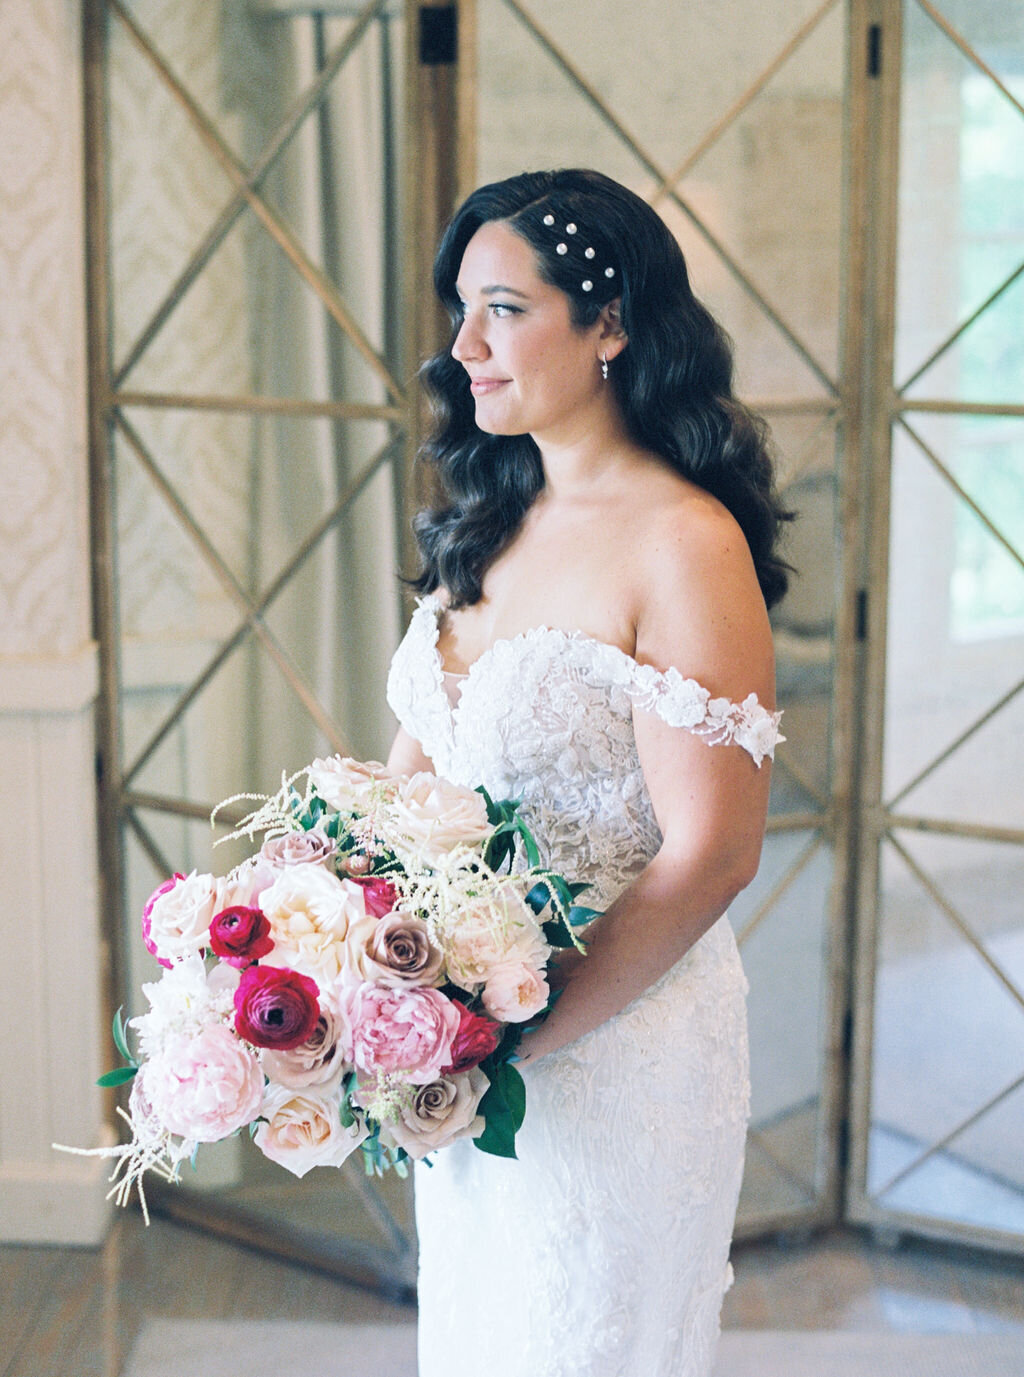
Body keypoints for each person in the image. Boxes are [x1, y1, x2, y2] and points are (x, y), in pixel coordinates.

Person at [385, 168, 789, 1377]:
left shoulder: (683, 542)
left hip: (617, 1054)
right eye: (461, 310)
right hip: (466, 1056)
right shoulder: (487, 519)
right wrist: (353, 963)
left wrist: (518, 1034)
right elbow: (412, 786)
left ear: (608, 323)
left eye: (504, 310)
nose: (463, 347)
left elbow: (712, 852)